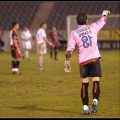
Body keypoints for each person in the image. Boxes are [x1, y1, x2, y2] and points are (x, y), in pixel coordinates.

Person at [64, 10, 110, 115]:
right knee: (96, 82)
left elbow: (70, 49)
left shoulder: (74, 33)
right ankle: (95, 101)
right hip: (94, 58)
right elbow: (103, 19)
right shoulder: (93, 26)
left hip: (83, 61)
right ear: (87, 20)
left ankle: (85, 108)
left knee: (84, 84)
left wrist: (67, 61)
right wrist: (104, 13)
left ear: (77, 22)